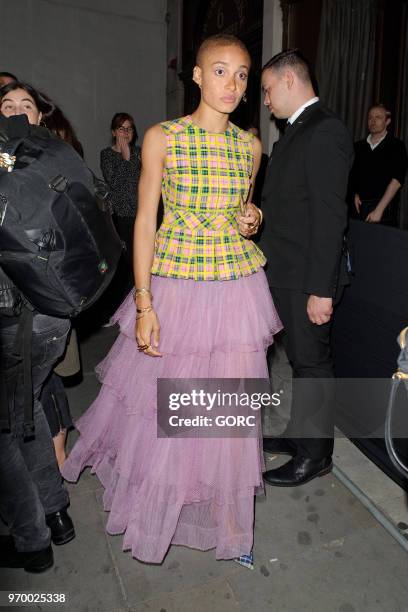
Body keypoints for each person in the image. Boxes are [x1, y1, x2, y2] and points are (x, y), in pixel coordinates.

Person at [62, 34, 282, 566]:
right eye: (221, 71)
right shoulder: (163, 137)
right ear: (198, 77)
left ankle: (230, 520)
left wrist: (254, 219)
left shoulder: (251, 147)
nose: (232, 84)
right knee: (170, 407)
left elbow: (246, 213)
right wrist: (143, 303)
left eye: (243, 74)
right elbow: (143, 223)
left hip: (234, 288)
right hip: (178, 284)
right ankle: (159, 507)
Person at [259, 49, 353, 487]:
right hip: (289, 274)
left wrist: (321, 289)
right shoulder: (297, 132)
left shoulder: (325, 130)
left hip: (308, 280)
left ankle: (316, 456)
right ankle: (301, 438)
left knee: (313, 365)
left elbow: (330, 218)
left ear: (290, 81)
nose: (265, 100)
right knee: (300, 363)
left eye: (267, 89)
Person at [0, 86, 75, 573]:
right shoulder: (61, 159)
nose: (11, 113)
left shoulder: (13, 164)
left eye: (20, 106)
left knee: (3, 430)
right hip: (55, 316)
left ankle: (32, 542)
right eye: (3, 107)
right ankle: (57, 511)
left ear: (39, 116)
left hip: (17, 319)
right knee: (25, 412)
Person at [100, 112, 141, 297]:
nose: (126, 132)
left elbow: (144, 180)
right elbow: (114, 182)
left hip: (141, 214)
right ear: (114, 132)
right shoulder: (107, 154)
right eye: (122, 128)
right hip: (121, 216)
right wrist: (125, 158)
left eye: (130, 128)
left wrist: (130, 156)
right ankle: (120, 307)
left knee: (141, 261)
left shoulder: (140, 153)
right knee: (125, 264)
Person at [350, 104, 408, 226]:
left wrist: (379, 210)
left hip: (384, 212)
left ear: (388, 121)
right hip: (359, 211)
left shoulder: (397, 146)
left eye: (378, 117)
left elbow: (397, 181)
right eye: (370, 117)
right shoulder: (358, 147)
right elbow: (351, 176)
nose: (373, 121)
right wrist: (354, 193)